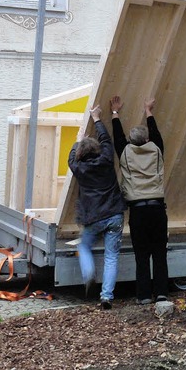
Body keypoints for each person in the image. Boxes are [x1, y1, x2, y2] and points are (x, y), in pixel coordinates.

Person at [109, 95, 169, 305]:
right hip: (157, 209)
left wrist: (115, 113)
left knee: (141, 254)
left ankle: (143, 295)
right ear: (147, 140)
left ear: (131, 142)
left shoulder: (125, 153)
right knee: (160, 252)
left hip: (138, 211)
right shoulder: (156, 150)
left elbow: (118, 136)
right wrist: (148, 110)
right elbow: (156, 134)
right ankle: (161, 293)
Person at [68, 105, 127, 310]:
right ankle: (106, 297)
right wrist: (97, 119)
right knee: (112, 257)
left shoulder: (79, 168)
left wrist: (78, 140)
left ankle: (88, 273)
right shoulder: (106, 160)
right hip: (114, 215)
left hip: (93, 218)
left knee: (84, 246)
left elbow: (71, 158)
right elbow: (106, 140)